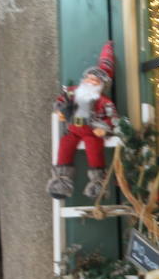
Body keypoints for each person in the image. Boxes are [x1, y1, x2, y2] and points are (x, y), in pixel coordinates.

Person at [47, 40, 119, 200]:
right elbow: (61, 101)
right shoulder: (73, 92)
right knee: (65, 147)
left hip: (91, 132)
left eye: (96, 80)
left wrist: (105, 128)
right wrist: (60, 110)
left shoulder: (104, 102)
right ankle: (60, 182)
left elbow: (113, 118)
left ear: (102, 85)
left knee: (94, 150)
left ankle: (97, 184)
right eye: (89, 78)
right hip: (72, 130)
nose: (91, 81)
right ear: (84, 79)